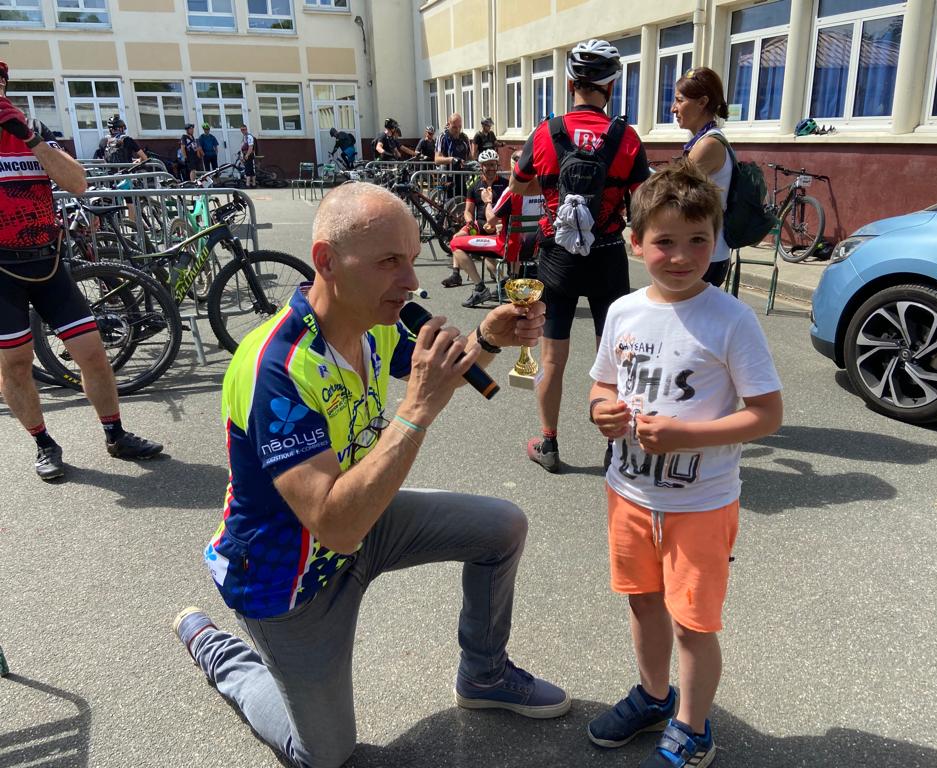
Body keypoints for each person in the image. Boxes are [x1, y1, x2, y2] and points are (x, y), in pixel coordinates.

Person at [172, 182, 568, 768]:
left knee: (502, 527)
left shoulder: (374, 321)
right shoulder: (274, 367)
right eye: (388, 262)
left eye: (412, 259)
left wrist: (486, 337)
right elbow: (333, 525)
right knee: (326, 754)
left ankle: (484, 675)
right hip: (289, 574)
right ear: (327, 261)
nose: (411, 281)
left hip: (362, 519)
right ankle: (217, 649)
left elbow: (439, 373)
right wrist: (416, 410)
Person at [587, 162, 783, 768]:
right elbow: (602, 386)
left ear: (716, 240)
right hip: (628, 492)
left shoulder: (731, 319)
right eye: (664, 241)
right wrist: (601, 411)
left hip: (700, 504)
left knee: (693, 623)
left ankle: (693, 728)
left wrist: (684, 436)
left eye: (698, 240)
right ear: (636, 242)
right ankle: (654, 696)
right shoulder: (623, 311)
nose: (680, 256)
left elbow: (767, 414)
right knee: (642, 602)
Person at [0, 60, 163, 480]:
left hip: (48, 261)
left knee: (91, 351)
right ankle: (44, 443)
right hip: (2, 273)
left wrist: (31, 138)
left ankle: (115, 434)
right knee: (15, 362)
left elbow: (77, 182)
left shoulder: (32, 132)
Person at [509, 39, 650, 473]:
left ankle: (549, 443)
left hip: (558, 255)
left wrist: (551, 188)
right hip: (607, 254)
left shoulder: (545, 132)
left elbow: (517, 185)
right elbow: (642, 200)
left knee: (553, 358)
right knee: (617, 358)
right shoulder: (627, 137)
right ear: (611, 86)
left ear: (571, 84)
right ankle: (615, 446)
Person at [672, 68, 733, 288]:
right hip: (704, 250)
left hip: (704, 255)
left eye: (680, 100)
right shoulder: (703, 140)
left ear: (702, 102)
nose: (673, 108)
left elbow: (672, 193)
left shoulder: (708, 145)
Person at [441, 149, 509, 306]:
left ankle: (501, 282)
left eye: (493, 165)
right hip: (479, 225)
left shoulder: (505, 185)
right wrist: (469, 221)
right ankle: (464, 278)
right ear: (481, 166)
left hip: (499, 226)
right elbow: (468, 211)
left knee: (489, 257)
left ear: (497, 165)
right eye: (487, 165)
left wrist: (498, 223)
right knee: (455, 239)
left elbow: (510, 210)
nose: (490, 168)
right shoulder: (474, 186)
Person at [435, 112, 471, 198]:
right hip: (448, 177)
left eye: (459, 127)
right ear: (448, 125)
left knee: (463, 201)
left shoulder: (464, 138)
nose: (457, 130)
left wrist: (475, 164)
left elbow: (470, 157)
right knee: (450, 204)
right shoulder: (443, 137)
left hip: (462, 178)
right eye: (454, 127)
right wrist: (452, 159)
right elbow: (437, 159)